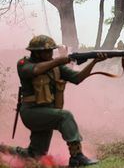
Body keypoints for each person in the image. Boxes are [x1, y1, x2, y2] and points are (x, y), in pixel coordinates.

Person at [16, 35, 107, 166]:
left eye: (52, 50)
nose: (51, 53)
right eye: (47, 51)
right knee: (65, 116)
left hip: (47, 112)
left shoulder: (56, 67)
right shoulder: (23, 64)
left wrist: (94, 62)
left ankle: (4, 150)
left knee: (35, 155)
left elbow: (77, 78)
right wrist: (59, 61)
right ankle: (76, 156)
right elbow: (36, 70)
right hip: (31, 112)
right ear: (36, 52)